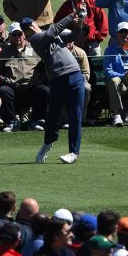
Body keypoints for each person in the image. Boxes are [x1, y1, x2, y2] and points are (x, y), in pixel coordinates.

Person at [26, 12, 87, 164]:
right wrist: (72, 15)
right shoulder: (36, 40)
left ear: (36, 24)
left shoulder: (53, 36)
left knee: (75, 116)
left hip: (75, 75)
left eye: (32, 25)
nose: (32, 28)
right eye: (27, 28)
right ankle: (47, 144)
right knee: (53, 117)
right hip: (58, 79)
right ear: (27, 33)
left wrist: (80, 22)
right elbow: (55, 29)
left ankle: (73, 152)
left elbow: (73, 36)